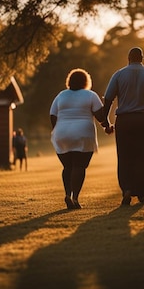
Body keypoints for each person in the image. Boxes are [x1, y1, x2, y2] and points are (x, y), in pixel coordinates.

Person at [102, 47, 144, 205]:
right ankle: (142, 194)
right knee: (143, 157)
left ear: (128, 58)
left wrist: (105, 121)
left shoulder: (118, 75)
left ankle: (127, 189)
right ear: (142, 58)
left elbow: (108, 99)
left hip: (125, 121)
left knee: (124, 156)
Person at [50, 68, 110, 209]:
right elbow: (100, 117)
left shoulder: (61, 95)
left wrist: (57, 130)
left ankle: (67, 194)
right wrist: (107, 126)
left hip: (62, 133)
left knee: (67, 166)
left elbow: (53, 115)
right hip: (83, 133)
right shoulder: (90, 95)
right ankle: (75, 198)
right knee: (79, 166)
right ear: (86, 81)